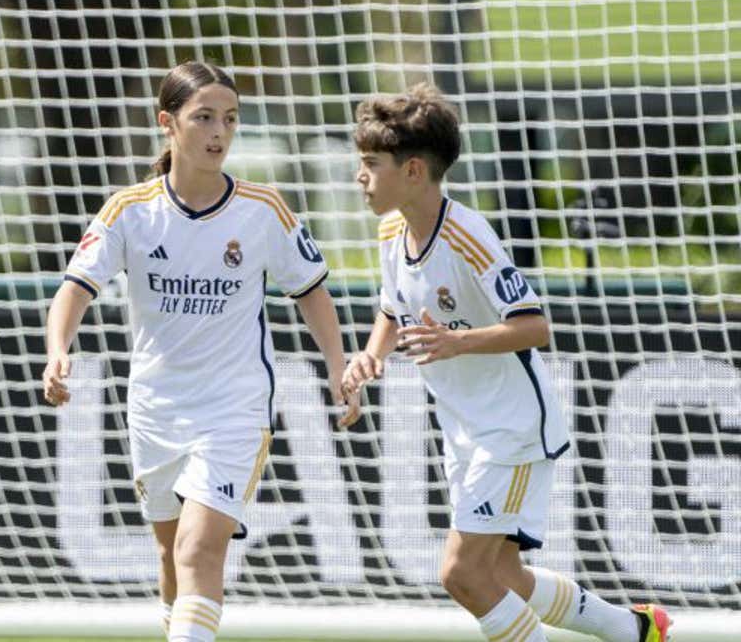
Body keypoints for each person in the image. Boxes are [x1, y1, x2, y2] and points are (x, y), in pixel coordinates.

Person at [42, 61, 361, 642]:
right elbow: (74, 289)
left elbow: (312, 292)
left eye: (230, 120)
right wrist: (57, 350)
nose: (219, 132)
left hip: (234, 409)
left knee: (197, 548)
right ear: (168, 123)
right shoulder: (129, 210)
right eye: (204, 117)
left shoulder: (263, 209)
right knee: (170, 555)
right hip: (156, 409)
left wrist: (339, 366)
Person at [341, 83, 671, 642]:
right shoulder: (393, 229)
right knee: (501, 576)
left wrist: (457, 342)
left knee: (461, 573)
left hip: (511, 429)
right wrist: (370, 357)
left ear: (414, 171)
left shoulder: (469, 235)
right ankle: (631, 629)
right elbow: (391, 307)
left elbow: (535, 326)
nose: (360, 175)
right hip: (465, 429)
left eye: (372, 164)